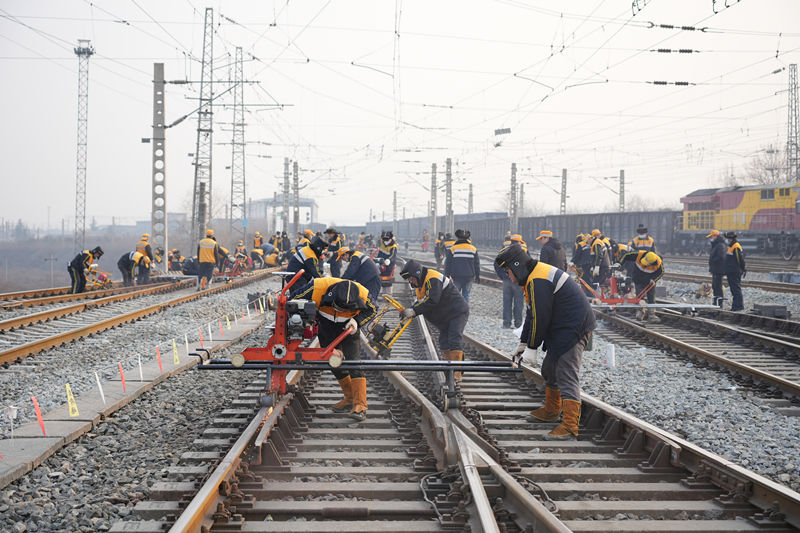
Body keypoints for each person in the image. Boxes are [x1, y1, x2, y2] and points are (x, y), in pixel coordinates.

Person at [495, 244, 596, 440]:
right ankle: (552, 410)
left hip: (574, 327)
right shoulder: (532, 277)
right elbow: (532, 314)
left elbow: (541, 317)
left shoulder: (538, 280)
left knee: (566, 372)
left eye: (508, 271)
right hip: (562, 325)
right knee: (549, 369)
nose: (508, 275)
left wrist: (533, 347)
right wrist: (524, 344)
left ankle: (569, 425)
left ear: (517, 266)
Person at [291, 278, 377, 421]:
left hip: (349, 328)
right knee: (333, 361)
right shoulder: (316, 287)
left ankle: (360, 405)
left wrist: (357, 321)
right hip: (326, 327)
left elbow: (373, 309)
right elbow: (292, 300)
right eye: (339, 308)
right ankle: (349, 398)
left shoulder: (363, 293)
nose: (340, 311)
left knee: (354, 362)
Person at [399, 259, 469, 380]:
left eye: (411, 278)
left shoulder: (432, 278)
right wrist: (409, 310)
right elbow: (421, 301)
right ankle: (451, 369)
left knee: (454, 339)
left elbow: (432, 300)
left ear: (417, 274)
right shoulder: (420, 284)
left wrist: (414, 311)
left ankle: (457, 373)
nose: (410, 281)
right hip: (446, 315)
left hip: (456, 312)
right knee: (444, 341)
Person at [618, 249, 664, 320]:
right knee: (639, 297)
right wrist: (619, 263)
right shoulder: (639, 255)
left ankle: (651, 314)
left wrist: (654, 279)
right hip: (638, 280)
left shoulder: (658, 263)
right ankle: (640, 312)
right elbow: (626, 256)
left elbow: (661, 273)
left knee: (651, 298)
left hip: (649, 282)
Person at [444, 229, 480, 303]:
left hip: (456, 277)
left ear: (458, 238)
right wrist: (477, 276)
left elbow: (448, 264)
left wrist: (446, 275)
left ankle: (457, 313)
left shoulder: (453, 249)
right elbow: (477, 264)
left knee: (455, 296)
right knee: (466, 295)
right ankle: (465, 312)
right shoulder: (473, 249)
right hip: (469, 277)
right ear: (468, 238)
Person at [494, 247, 524, 330]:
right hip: (518, 281)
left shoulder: (505, 250)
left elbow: (497, 264)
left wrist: (504, 276)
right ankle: (518, 324)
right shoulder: (523, 250)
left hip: (507, 281)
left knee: (507, 302)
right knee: (519, 302)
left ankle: (506, 323)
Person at [724, 231, 746, 311]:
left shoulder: (736, 247)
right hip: (731, 271)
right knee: (733, 289)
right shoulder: (731, 246)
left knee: (736, 289)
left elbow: (740, 259)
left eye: (728, 238)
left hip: (734, 271)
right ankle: (735, 306)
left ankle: (738, 306)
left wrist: (743, 269)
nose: (727, 240)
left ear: (731, 238)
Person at [707, 230, 726, 307]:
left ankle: (719, 303)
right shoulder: (716, 245)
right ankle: (716, 301)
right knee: (715, 286)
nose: (711, 238)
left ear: (716, 236)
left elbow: (721, 257)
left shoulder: (720, 245)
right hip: (715, 269)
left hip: (718, 269)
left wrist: (713, 261)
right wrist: (711, 269)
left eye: (712, 236)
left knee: (718, 286)